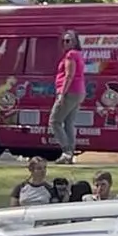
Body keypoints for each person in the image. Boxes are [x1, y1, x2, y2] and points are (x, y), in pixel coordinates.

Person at [47, 30, 86, 165]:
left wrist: (61, 94)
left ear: (75, 41)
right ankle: (70, 153)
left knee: (54, 121)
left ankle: (66, 151)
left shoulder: (70, 55)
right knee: (69, 122)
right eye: (63, 40)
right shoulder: (79, 55)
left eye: (68, 40)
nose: (65, 43)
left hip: (70, 92)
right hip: (79, 92)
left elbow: (69, 75)